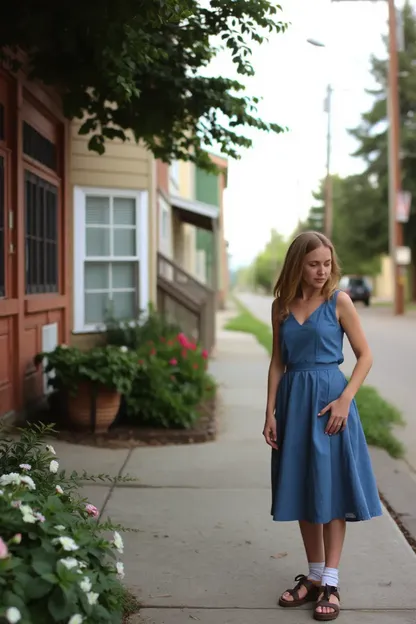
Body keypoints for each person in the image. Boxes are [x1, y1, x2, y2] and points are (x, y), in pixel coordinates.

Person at [262, 231, 382, 622]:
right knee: (302, 487)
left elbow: (364, 356)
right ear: (298, 263)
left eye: (327, 264)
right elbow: (278, 362)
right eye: (314, 264)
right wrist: (269, 412)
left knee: (329, 491)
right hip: (293, 405)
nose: (322, 271)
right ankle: (313, 577)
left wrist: (345, 400)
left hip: (331, 406)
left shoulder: (339, 302)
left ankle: (331, 580)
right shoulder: (281, 306)